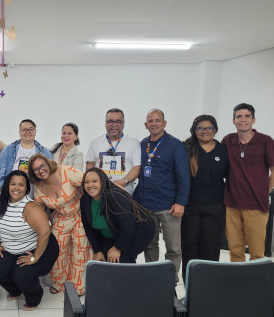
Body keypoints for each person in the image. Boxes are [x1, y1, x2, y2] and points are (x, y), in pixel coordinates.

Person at [133, 108, 190, 282]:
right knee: (150, 245)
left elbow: (184, 176)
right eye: (150, 121)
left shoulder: (175, 145)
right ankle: (152, 276)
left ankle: (170, 279)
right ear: (145, 124)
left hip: (169, 206)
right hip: (145, 204)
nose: (154, 124)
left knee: (173, 247)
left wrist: (181, 202)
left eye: (158, 120)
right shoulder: (142, 144)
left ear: (164, 123)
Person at [0, 170, 59, 310]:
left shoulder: (30, 207)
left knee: (21, 274)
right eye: (13, 184)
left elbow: (45, 233)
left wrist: (34, 258)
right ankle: (17, 290)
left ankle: (34, 297)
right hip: (10, 248)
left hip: (38, 248)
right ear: (7, 186)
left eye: (21, 185)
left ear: (27, 188)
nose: (16, 188)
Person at [28, 153, 92, 295]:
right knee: (58, 250)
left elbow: (90, 182)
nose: (41, 170)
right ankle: (59, 283)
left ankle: (78, 286)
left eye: (42, 165)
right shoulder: (38, 187)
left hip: (79, 214)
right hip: (60, 218)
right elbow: (38, 210)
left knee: (80, 249)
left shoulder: (66, 171)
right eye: (36, 169)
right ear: (33, 173)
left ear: (48, 163)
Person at [221, 103, 274, 262]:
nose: (242, 120)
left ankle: (254, 284)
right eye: (239, 116)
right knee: (235, 251)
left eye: (247, 116)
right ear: (233, 121)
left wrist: (265, 192)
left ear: (253, 120)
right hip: (232, 205)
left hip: (256, 206)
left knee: (257, 252)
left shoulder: (265, 141)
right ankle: (238, 283)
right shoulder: (228, 140)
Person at [180, 115, 229, 280]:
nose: (205, 131)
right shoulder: (186, 148)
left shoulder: (223, 150)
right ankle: (190, 285)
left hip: (215, 206)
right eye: (200, 128)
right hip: (190, 206)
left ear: (215, 129)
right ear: (194, 131)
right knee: (190, 246)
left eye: (209, 128)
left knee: (211, 247)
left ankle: (208, 285)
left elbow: (231, 177)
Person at [80, 168, 155, 263]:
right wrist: (97, 251)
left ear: (102, 182)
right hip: (113, 235)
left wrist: (117, 248)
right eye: (86, 182)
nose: (90, 185)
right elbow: (88, 227)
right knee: (102, 260)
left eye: (94, 181)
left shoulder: (114, 196)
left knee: (122, 262)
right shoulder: (85, 200)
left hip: (134, 233)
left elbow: (128, 224)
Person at [86, 108, 141, 194]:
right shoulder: (95, 142)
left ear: (123, 123)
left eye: (118, 121)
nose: (114, 125)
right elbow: (89, 166)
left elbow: (137, 167)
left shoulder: (133, 142)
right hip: (100, 193)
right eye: (110, 121)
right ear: (105, 123)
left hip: (124, 193)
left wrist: (124, 181)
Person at [0, 119, 52, 193]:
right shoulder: (8, 150)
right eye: (24, 130)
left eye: (31, 129)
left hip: (35, 197)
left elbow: (51, 175)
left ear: (35, 132)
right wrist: (5, 192)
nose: (27, 132)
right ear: (20, 132)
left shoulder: (44, 152)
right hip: (11, 196)